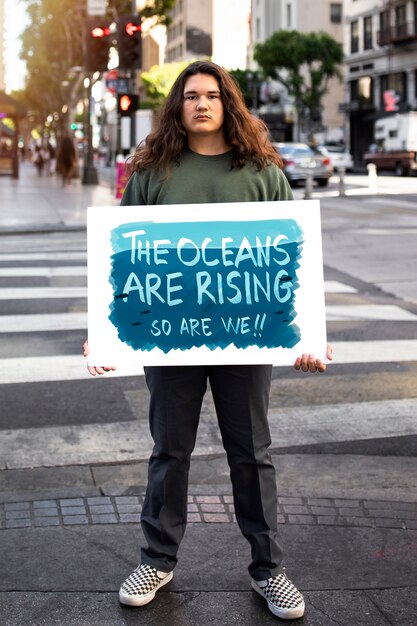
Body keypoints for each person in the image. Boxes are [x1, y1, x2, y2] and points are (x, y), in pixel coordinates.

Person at [83, 61, 333, 621]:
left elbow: (292, 261)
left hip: (246, 343)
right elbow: (123, 259)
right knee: (170, 451)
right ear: (178, 105)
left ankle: (269, 569)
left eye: (213, 96)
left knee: (252, 455)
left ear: (228, 105)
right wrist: (102, 334)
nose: (201, 104)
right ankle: (158, 559)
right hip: (172, 342)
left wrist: (310, 335)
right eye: (191, 95)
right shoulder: (152, 172)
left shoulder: (263, 171)